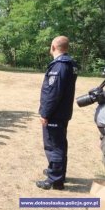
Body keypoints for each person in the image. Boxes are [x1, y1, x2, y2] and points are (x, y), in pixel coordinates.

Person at [36, 36, 78, 190]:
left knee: (54, 146)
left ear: (53, 47)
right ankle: (58, 173)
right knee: (59, 144)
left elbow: (53, 93)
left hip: (55, 114)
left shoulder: (59, 66)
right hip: (61, 112)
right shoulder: (69, 64)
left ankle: (55, 180)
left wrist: (45, 113)